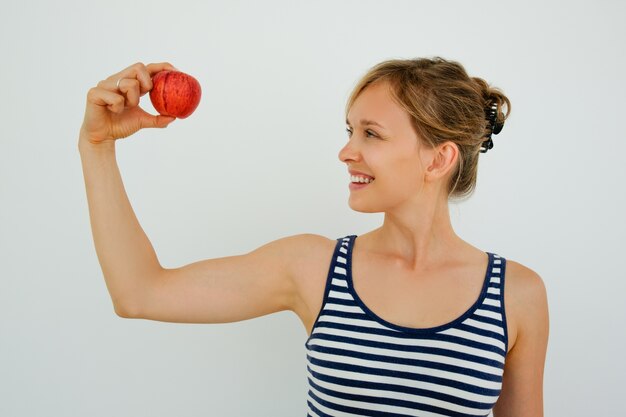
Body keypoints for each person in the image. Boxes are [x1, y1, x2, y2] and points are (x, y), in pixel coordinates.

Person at [79, 58, 549, 416]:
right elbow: (139, 293)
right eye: (350, 131)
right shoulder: (312, 268)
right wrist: (97, 147)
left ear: (438, 159)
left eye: (372, 134)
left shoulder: (517, 295)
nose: (347, 151)